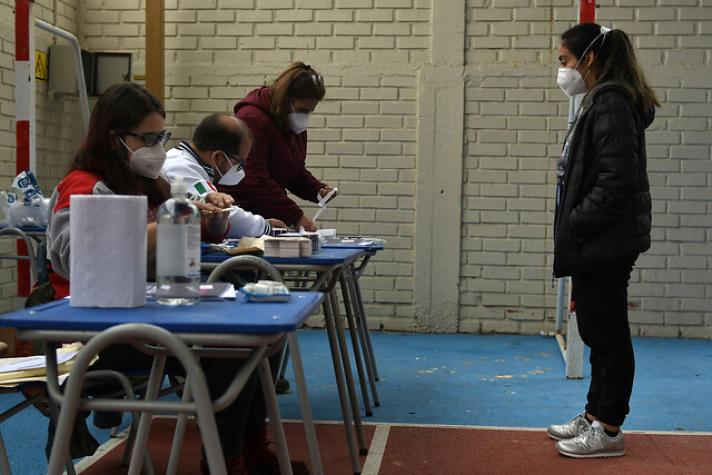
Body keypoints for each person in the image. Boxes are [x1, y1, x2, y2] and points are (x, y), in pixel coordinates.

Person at [45, 83, 307, 474]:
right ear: (113, 137)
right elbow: (71, 257)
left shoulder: (146, 183)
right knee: (232, 349)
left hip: (148, 313)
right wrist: (163, 225)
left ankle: (244, 448)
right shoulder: (83, 186)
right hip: (98, 329)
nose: (156, 147)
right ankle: (226, 459)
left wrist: (210, 218)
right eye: (147, 138)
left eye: (161, 137)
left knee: (256, 334)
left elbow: (179, 234)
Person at [547, 24, 658, 458]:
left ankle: (609, 429)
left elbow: (616, 182)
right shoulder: (601, 100)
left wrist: (576, 221)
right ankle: (594, 414)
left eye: (565, 61)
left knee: (608, 333)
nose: (562, 70)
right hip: (599, 240)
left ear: (588, 59)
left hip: (605, 240)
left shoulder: (610, 102)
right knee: (595, 328)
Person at [220, 62, 336, 232]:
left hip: (266, 212)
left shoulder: (291, 122)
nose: (304, 117)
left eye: (310, 111)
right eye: (302, 110)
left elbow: (293, 170)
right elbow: (253, 176)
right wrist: (295, 216)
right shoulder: (252, 120)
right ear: (285, 99)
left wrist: (317, 190)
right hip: (243, 211)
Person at [163, 112, 287, 237]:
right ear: (218, 157)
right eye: (239, 163)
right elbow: (220, 211)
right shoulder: (181, 168)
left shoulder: (188, 164)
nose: (240, 169)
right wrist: (265, 227)